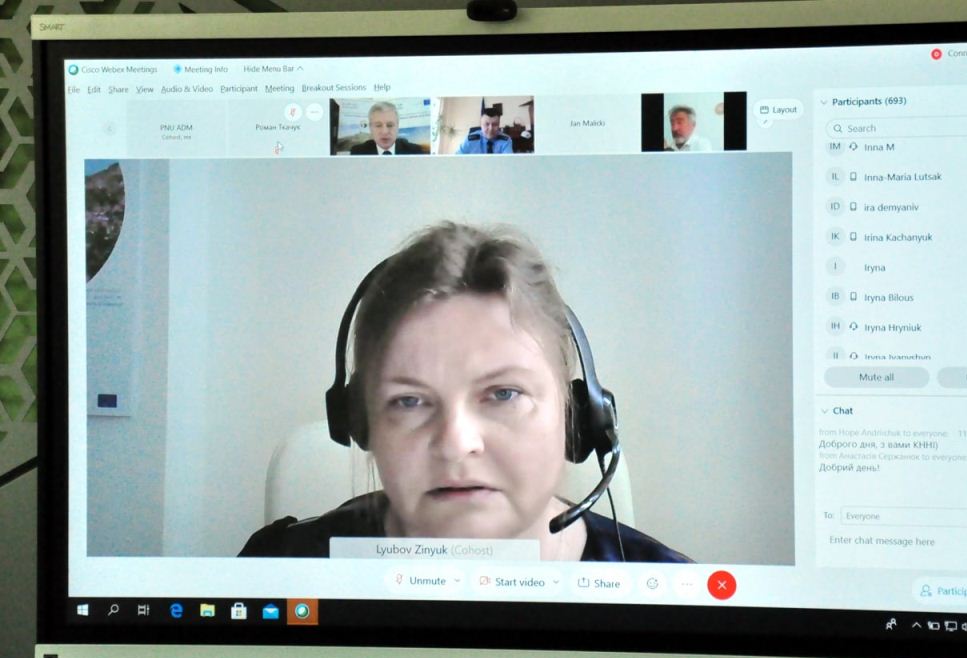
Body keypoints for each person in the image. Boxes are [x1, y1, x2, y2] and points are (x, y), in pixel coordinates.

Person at [240, 223, 690, 562]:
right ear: (361, 423)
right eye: (409, 401)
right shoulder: (273, 568)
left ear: (575, 417)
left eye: (504, 394)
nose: (456, 444)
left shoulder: (674, 597)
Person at [349, 101, 425, 156]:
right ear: (370, 128)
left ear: (397, 126)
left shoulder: (415, 151)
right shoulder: (358, 152)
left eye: (390, 125)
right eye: (378, 125)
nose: (385, 132)